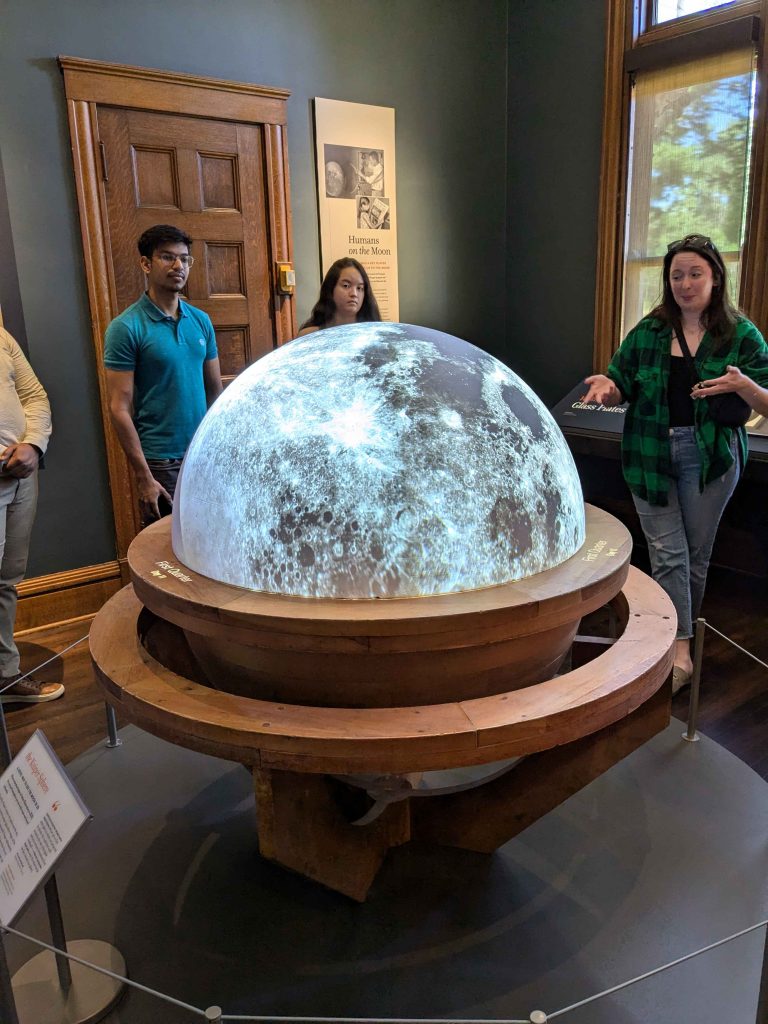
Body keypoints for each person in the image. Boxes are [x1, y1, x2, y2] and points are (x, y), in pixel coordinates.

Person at [582, 233, 768, 692]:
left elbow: (764, 399)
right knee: (668, 553)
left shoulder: (741, 334)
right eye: (677, 275)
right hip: (649, 452)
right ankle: (679, 648)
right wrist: (608, 386)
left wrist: (743, 385)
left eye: (695, 273)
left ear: (715, 278)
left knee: (694, 557)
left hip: (710, 459)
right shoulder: (649, 330)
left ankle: (672, 637)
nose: (685, 283)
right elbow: (620, 379)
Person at [104, 225, 223, 525]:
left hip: (202, 455)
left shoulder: (201, 321)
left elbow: (215, 393)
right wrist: (144, 476)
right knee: (167, 555)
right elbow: (119, 408)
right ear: (146, 263)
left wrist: (219, 451)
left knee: (209, 539)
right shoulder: (126, 327)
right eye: (167, 257)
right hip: (161, 463)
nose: (178, 266)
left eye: (184, 259)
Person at [0, 324, 60, 705]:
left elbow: (34, 396)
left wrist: (34, 444)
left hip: (20, 477)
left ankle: (5, 676)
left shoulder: (1, 336)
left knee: (7, 579)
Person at [297, 258, 382, 336]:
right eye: (346, 286)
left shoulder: (375, 334)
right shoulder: (310, 336)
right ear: (331, 288)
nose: (354, 294)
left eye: (359, 288)